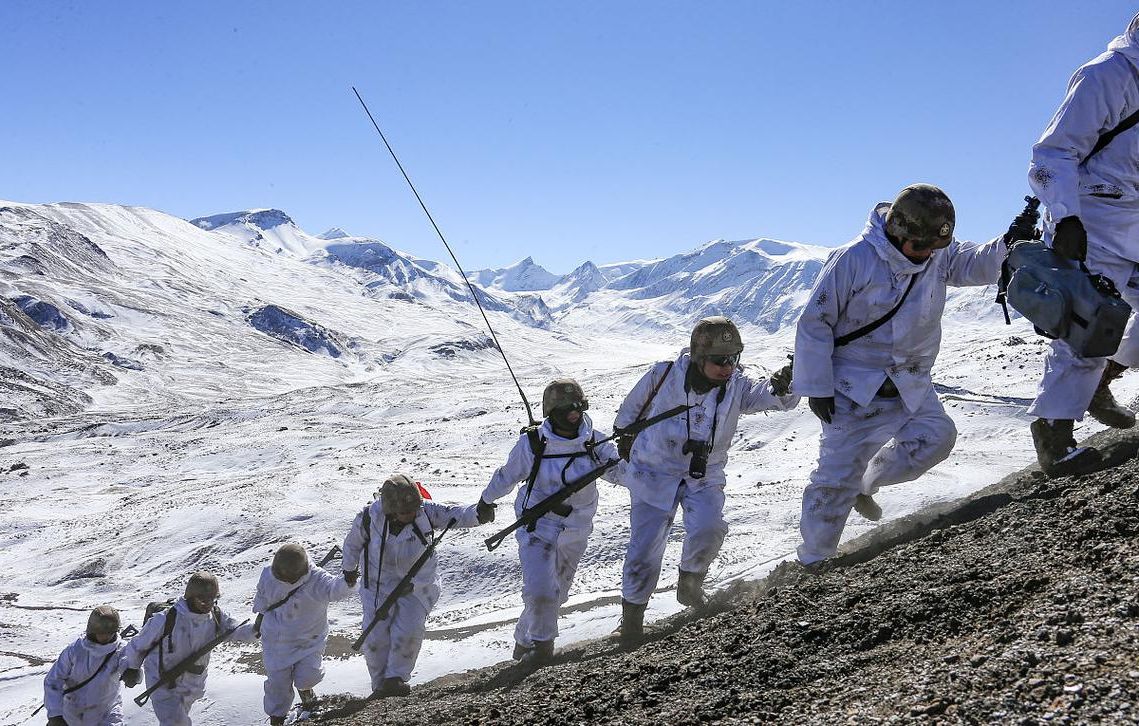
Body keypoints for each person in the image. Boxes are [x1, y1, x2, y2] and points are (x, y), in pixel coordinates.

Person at [793, 183, 1020, 566]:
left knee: (937, 438)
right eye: (921, 247)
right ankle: (813, 562)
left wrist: (1008, 245)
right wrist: (816, 386)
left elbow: (977, 263)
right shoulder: (854, 260)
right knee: (833, 482)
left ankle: (868, 483)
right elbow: (815, 322)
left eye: (935, 247)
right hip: (852, 387)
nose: (928, 254)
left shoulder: (935, 253)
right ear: (897, 231)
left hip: (910, 380)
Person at [613, 316, 797, 641]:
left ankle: (690, 583)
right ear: (699, 357)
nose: (727, 367)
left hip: (704, 473)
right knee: (644, 549)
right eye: (719, 360)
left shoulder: (737, 384)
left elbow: (767, 395)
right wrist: (627, 443)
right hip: (654, 471)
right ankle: (632, 621)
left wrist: (784, 385)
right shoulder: (663, 374)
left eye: (732, 359)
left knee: (709, 529)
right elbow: (629, 413)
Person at [1027, 10, 1139, 475]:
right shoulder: (1106, 76)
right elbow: (1052, 153)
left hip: (1134, 217)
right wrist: (1066, 217)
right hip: (1093, 217)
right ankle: (1053, 433)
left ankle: (1103, 380)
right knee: (1089, 322)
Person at [478, 378, 620, 664]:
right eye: (566, 408)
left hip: (576, 528)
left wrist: (648, 474)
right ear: (551, 412)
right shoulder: (532, 443)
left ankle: (523, 642)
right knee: (540, 590)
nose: (573, 414)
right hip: (538, 527)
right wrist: (486, 500)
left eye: (577, 407)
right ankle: (543, 650)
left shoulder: (594, 441)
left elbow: (619, 471)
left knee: (557, 594)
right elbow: (508, 475)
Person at [341, 474, 481, 697]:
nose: (410, 515)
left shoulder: (425, 511)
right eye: (404, 512)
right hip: (378, 586)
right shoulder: (369, 518)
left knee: (409, 631)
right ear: (390, 509)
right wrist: (349, 569)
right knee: (375, 639)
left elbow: (453, 514)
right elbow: (352, 544)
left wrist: (478, 513)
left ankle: (395, 679)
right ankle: (379, 686)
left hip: (417, 584)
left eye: (413, 510)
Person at [121, 572, 255, 726]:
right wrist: (131, 668)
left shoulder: (216, 616)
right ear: (190, 597)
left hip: (193, 685)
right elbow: (137, 645)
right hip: (163, 684)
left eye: (213, 599)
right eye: (203, 600)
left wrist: (258, 628)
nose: (209, 604)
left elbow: (238, 630)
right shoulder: (165, 619)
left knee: (177, 720)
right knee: (176, 723)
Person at [253, 542, 354, 725]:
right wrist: (259, 619)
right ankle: (277, 718)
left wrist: (349, 580)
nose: (284, 579)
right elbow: (262, 599)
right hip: (277, 642)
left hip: (309, 641)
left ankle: (307, 693)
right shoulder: (268, 575)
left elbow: (334, 589)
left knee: (307, 676)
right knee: (278, 686)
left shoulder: (316, 578)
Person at [43, 606, 127, 726]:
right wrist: (55, 715)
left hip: (107, 713)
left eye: (110, 633)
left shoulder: (120, 649)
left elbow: (128, 662)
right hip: (73, 715)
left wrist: (132, 673)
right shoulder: (75, 650)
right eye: (101, 633)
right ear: (92, 630)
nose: (106, 637)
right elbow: (53, 681)